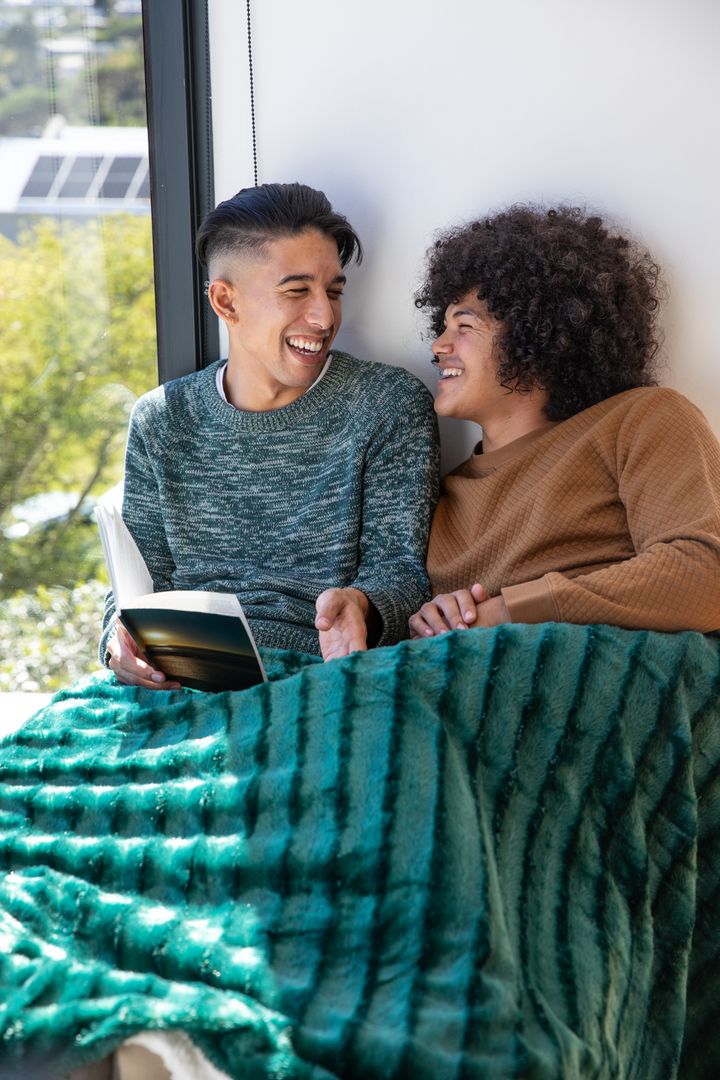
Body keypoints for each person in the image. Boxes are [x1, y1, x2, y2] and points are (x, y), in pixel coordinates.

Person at [102, 182, 439, 688]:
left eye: (334, 290)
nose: (325, 317)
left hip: (320, 670)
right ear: (225, 301)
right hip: (181, 676)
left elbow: (402, 572)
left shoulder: (387, 404)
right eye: (297, 291)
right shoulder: (161, 419)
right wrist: (116, 644)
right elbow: (133, 583)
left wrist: (361, 606)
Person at [409, 204, 720, 639]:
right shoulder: (441, 499)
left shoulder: (641, 419)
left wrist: (509, 611)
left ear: (532, 335)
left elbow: (705, 577)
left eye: (464, 325)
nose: (438, 346)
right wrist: (436, 618)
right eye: (442, 327)